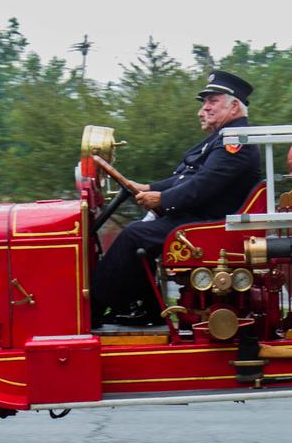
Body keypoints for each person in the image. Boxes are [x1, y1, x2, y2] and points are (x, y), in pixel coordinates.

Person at [90, 70, 260, 326]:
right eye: (205, 102)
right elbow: (188, 177)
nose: (203, 109)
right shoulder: (223, 139)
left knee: (135, 234)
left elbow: (203, 186)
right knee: (139, 233)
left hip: (210, 223)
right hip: (200, 217)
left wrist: (162, 199)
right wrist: (147, 187)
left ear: (234, 105)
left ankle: (90, 309)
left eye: (212, 101)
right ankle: (143, 307)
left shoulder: (236, 141)